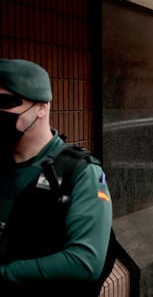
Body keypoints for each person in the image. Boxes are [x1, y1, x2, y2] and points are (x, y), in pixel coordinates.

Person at [0, 59, 112, 296]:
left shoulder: (80, 171)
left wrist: (6, 273)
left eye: (6, 103)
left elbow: (85, 262)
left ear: (42, 107)